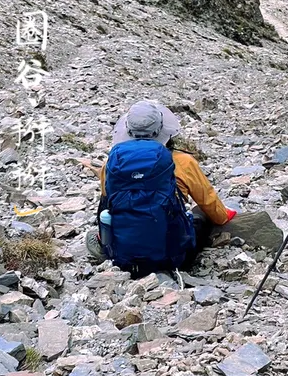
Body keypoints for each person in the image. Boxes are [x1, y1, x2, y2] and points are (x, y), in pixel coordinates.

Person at [86, 101, 236, 270]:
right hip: (173, 257)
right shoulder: (183, 162)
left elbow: (106, 201)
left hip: (122, 255)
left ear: (127, 130)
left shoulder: (113, 164)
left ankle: (105, 243)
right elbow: (208, 202)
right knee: (200, 214)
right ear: (163, 129)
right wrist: (223, 216)